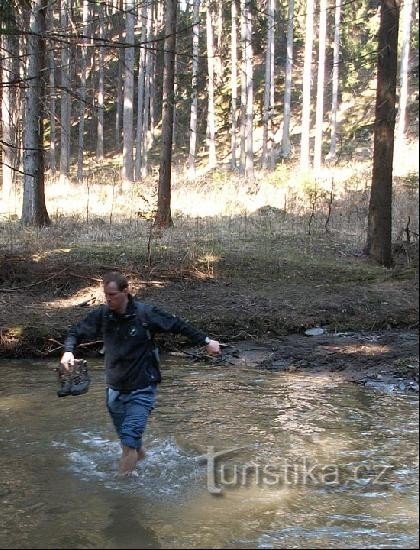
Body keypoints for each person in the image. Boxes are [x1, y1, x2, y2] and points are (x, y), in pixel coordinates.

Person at [60, 271, 220, 477]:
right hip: (114, 391)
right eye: (106, 295)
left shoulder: (146, 314)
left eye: (113, 295)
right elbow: (76, 332)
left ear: (126, 291)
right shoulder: (102, 316)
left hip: (142, 389)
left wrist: (207, 341)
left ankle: (120, 489)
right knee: (130, 443)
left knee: (128, 445)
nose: (108, 299)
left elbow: (177, 325)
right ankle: (148, 464)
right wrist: (68, 351)